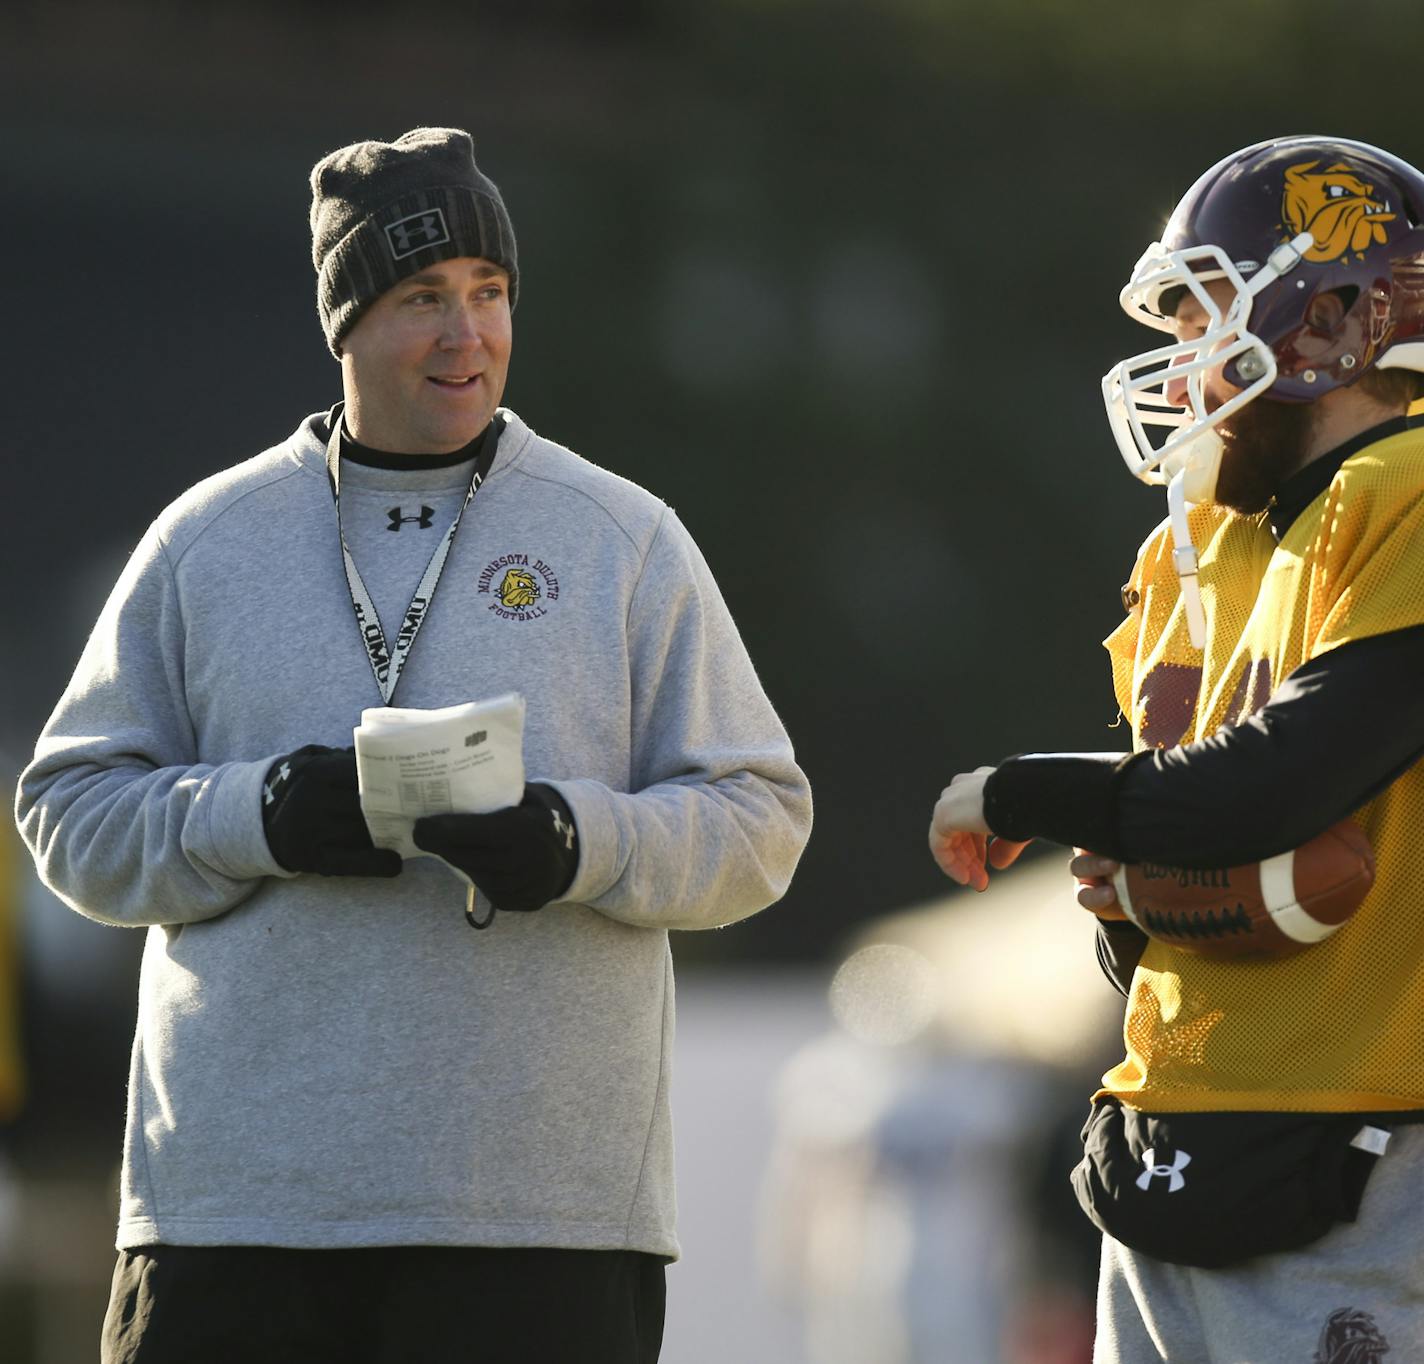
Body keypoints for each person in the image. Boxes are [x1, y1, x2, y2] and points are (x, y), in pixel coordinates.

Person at [15, 127, 812, 1364]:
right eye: (420, 299)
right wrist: (256, 816)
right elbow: (65, 809)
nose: (466, 334)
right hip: (234, 1213)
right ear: (343, 322)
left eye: (488, 294)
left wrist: (576, 839)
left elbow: (759, 819)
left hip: (540, 1223)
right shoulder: (206, 539)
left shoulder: (622, 536)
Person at [927, 135, 1424, 1362]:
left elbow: (1277, 782)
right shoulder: (1199, 553)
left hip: (1364, 1144)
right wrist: (1126, 876)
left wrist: (1026, 791)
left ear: (1341, 317)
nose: (1186, 365)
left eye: (1209, 315)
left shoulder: (1405, 488)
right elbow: (1150, 904)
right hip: (1173, 1131)